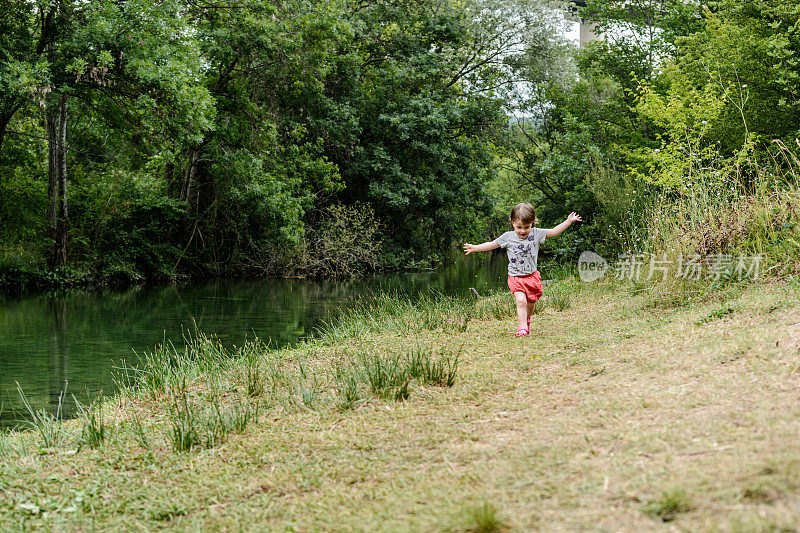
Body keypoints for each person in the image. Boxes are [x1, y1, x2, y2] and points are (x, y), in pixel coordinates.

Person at [463, 203, 582, 337]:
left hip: (532, 276)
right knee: (521, 301)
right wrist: (475, 247)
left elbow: (554, 231)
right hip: (515, 277)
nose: (523, 231)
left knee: (530, 303)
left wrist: (569, 221)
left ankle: (526, 320)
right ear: (512, 223)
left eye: (527, 227)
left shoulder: (537, 234)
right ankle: (522, 327)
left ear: (532, 223)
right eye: (519, 227)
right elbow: (491, 245)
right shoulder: (507, 237)